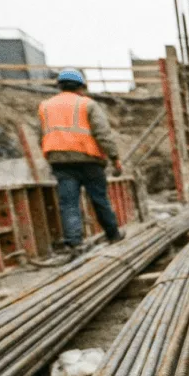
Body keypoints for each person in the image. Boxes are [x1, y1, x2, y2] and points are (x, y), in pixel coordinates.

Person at [38, 68, 124, 254]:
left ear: (59, 86)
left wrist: (49, 154)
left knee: (69, 202)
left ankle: (74, 242)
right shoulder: (88, 104)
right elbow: (103, 134)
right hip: (89, 159)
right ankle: (113, 234)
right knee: (99, 198)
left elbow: (41, 135)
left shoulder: (45, 106)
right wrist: (115, 157)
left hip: (60, 160)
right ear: (81, 87)